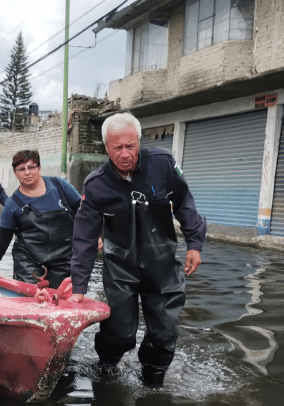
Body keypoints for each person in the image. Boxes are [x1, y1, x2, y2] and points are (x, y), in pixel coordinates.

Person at [68, 112, 206, 386]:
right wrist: (79, 288)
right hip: (120, 267)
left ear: (138, 142)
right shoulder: (96, 185)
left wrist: (195, 243)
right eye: (117, 147)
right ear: (106, 147)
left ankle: (153, 380)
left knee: (165, 334)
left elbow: (185, 204)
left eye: (130, 146)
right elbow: (84, 238)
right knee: (120, 334)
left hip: (162, 265)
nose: (125, 153)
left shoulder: (162, 164)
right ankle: (107, 366)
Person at [0, 149, 81, 288]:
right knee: (32, 299)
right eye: (21, 169)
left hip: (62, 258)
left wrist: (95, 235)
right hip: (28, 260)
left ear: (39, 168)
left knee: (60, 298)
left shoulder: (59, 186)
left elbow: (83, 211)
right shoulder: (11, 204)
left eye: (31, 167)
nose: (27, 172)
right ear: (15, 173)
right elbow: (4, 236)